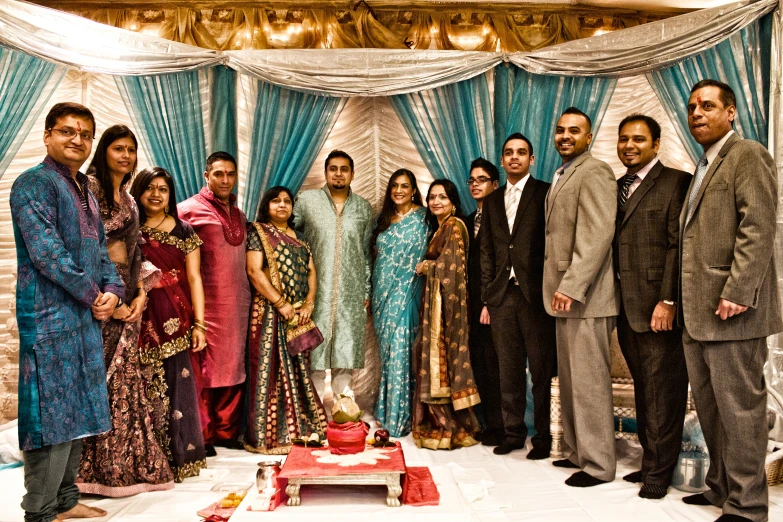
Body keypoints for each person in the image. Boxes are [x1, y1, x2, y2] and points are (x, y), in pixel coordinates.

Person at [11, 103, 122, 521]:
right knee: (50, 416)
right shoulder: (32, 184)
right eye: (67, 131)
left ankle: (65, 501)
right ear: (47, 135)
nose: (77, 139)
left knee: (80, 410)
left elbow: (99, 251)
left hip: (83, 317)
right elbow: (47, 255)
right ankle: (39, 511)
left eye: (85, 133)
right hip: (49, 318)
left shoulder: (86, 191)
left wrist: (113, 289)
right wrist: (95, 295)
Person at [679, 80, 782, 522]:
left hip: (732, 310)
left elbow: (758, 228)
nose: (697, 113)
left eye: (707, 106)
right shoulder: (704, 163)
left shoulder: (747, 154)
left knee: (740, 411)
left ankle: (748, 506)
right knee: (712, 408)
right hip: (698, 312)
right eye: (692, 107)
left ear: (731, 112)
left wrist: (738, 292)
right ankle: (721, 487)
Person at [76, 126, 174, 496]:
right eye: (118, 148)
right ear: (104, 151)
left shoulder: (130, 201)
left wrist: (139, 296)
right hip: (95, 298)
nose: (126, 156)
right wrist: (109, 300)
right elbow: (83, 249)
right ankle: (87, 471)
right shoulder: (88, 190)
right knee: (97, 382)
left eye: (131, 149)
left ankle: (122, 468)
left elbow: (135, 253)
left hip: (127, 296)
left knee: (125, 383)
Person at [613, 114, 691, 499]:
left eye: (639, 140)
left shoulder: (678, 182)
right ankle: (650, 462)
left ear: (656, 144)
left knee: (664, 391)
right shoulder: (616, 187)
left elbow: (680, 245)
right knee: (645, 389)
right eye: (624, 139)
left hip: (659, 308)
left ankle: (660, 472)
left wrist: (668, 300)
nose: (630, 146)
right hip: (627, 310)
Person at [543, 107, 619, 487]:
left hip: (586, 297)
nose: (566, 136)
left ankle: (599, 465)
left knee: (588, 383)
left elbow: (597, 235)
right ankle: (576, 451)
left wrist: (572, 286)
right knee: (572, 380)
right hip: (564, 296)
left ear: (589, 137)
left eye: (575, 130)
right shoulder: (563, 173)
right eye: (560, 130)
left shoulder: (595, 171)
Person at [480, 135, 557, 458]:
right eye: (509, 153)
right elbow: (486, 251)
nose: (515, 158)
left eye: (521, 153)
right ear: (502, 160)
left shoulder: (545, 193)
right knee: (507, 369)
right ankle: (513, 433)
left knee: (540, 370)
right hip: (502, 297)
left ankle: (542, 437)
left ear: (532, 159)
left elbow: (554, 241)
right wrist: (488, 296)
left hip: (535, 296)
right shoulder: (493, 199)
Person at [131, 167, 208, 482]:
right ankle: (149, 460)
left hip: (176, 321)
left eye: (163, 188)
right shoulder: (130, 229)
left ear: (170, 194)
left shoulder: (185, 231)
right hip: (138, 318)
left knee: (179, 387)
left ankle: (183, 459)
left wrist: (201, 325)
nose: (156, 194)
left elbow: (194, 278)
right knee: (144, 388)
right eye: (150, 188)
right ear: (139, 191)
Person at [244, 186, 328, 454]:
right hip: (269, 312)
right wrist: (280, 303)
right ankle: (269, 435)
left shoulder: (300, 238)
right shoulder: (258, 232)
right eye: (276, 201)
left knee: (299, 369)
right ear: (266, 205)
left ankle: (300, 428)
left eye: (287, 201)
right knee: (269, 371)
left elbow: (311, 272)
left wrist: (309, 304)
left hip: (297, 315)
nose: (282, 205)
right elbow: (254, 271)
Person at [178, 152, 251, 455]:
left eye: (230, 174)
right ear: (206, 175)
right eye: (218, 174)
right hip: (206, 304)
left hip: (239, 304)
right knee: (206, 369)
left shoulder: (239, 213)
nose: (225, 180)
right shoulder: (187, 210)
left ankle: (226, 431)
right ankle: (203, 434)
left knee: (234, 368)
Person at [293, 150, 373, 408]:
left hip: (351, 292)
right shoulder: (306, 201)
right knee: (314, 354)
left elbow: (366, 252)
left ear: (352, 173)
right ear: (325, 172)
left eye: (344, 169)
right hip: (315, 293)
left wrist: (366, 291)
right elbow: (287, 236)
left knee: (345, 357)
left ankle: (344, 413)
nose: (338, 173)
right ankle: (313, 414)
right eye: (333, 168)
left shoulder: (363, 207)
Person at [412, 179, 481, 450]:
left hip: (446, 308)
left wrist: (426, 267)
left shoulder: (453, 226)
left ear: (453, 201)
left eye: (442, 197)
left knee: (444, 360)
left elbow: (451, 267)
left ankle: (449, 424)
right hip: (436, 305)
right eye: (432, 197)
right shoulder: (441, 227)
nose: (436, 201)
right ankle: (443, 421)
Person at [371, 169, 429, 437]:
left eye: (405, 186)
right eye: (394, 185)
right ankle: (385, 411)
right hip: (382, 294)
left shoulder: (424, 218)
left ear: (414, 189)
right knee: (388, 356)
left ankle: (400, 417)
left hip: (408, 292)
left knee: (402, 353)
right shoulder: (383, 219)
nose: (399, 190)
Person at [464, 158, 502, 446]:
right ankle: (480, 422)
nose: (476, 184)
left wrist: (490, 301)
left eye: (482, 179)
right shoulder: (464, 222)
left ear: (495, 184)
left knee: (497, 366)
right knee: (475, 363)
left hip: (496, 304)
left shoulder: (503, 219)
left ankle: (500, 425)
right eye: (472, 180)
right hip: (468, 306)